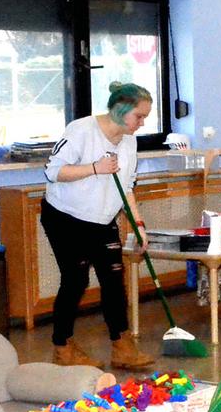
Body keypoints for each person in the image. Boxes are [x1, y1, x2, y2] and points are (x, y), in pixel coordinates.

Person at [42, 82, 156, 370]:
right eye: (139, 117)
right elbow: (54, 171)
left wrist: (138, 224)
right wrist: (95, 168)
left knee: (113, 281)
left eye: (145, 117)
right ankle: (62, 347)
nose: (142, 124)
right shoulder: (81, 130)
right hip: (65, 217)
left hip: (102, 220)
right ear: (121, 111)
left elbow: (126, 187)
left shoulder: (129, 141)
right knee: (75, 280)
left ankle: (122, 346)